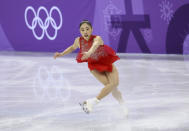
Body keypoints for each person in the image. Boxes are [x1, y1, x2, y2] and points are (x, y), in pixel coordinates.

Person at [54, 20, 128, 115]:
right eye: (82, 30)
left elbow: (95, 45)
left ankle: (97, 103)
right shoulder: (78, 41)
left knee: (114, 85)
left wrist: (89, 52)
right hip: (94, 67)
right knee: (111, 86)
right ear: (80, 31)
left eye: (87, 29)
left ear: (91, 29)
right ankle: (96, 102)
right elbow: (72, 47)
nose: (85, 32)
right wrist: (61, 54)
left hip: (106, 62)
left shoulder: (97, 38)